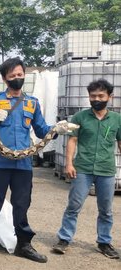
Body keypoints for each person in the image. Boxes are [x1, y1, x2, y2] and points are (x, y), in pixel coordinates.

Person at [0, 58, 71, 263]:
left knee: (22, 204)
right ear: (5, 78)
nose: (17, 78)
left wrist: (56, 130)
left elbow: (41, 130)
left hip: (23, 164)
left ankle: (24, 244)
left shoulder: (32, 102)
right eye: (12, 75)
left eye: (20, 74)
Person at [52, 79, 120, 259]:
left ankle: (104, 242)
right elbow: (72, 141)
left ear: (109, 97)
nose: (96, 99)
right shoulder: (80, 117)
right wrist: (69, 163)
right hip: (82, 168)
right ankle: (64, 239)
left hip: (106, 170)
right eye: (92, 96)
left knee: (106, 210)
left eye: (100, 96)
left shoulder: (117, 119)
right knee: (74, 206)